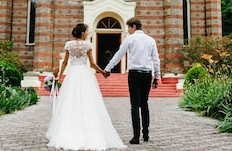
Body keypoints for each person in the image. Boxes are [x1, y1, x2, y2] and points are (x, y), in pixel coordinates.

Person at [46, 23, 126, 150]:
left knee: (70, 101)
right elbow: (93, 64)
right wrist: (103, 72)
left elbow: (66, 62)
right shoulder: (88, 45)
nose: (88, 32)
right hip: (84, 73)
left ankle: (68, 130)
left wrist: (60, 76)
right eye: (87, 31)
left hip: (72, 73)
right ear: (82, 32)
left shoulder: (69, 44)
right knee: (87, 100)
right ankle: (87, 129)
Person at [104, 17, 160, 145]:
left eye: (128, 27)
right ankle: (145, 134)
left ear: (134, 26)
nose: (128, 30)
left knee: (134, 104)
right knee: (144, 103)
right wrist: (156, 77)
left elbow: (119, 54)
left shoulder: (130, 39)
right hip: (147, 74)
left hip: (134, 74)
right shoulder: (151, 40)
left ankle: (136, 136)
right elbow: (156, 60)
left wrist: (108, 69)